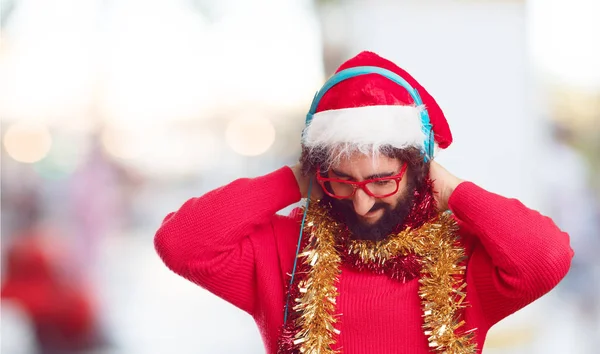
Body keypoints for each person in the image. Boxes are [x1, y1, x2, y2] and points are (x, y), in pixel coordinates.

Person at [154, 52, 573, 354]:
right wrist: (293, 180)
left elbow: (547, 256)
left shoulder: (461, 258)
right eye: (341, 181)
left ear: (417, 170)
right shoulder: (286, 249)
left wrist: (450, 190)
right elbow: (181, 243)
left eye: (381, 181)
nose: (360, 203)